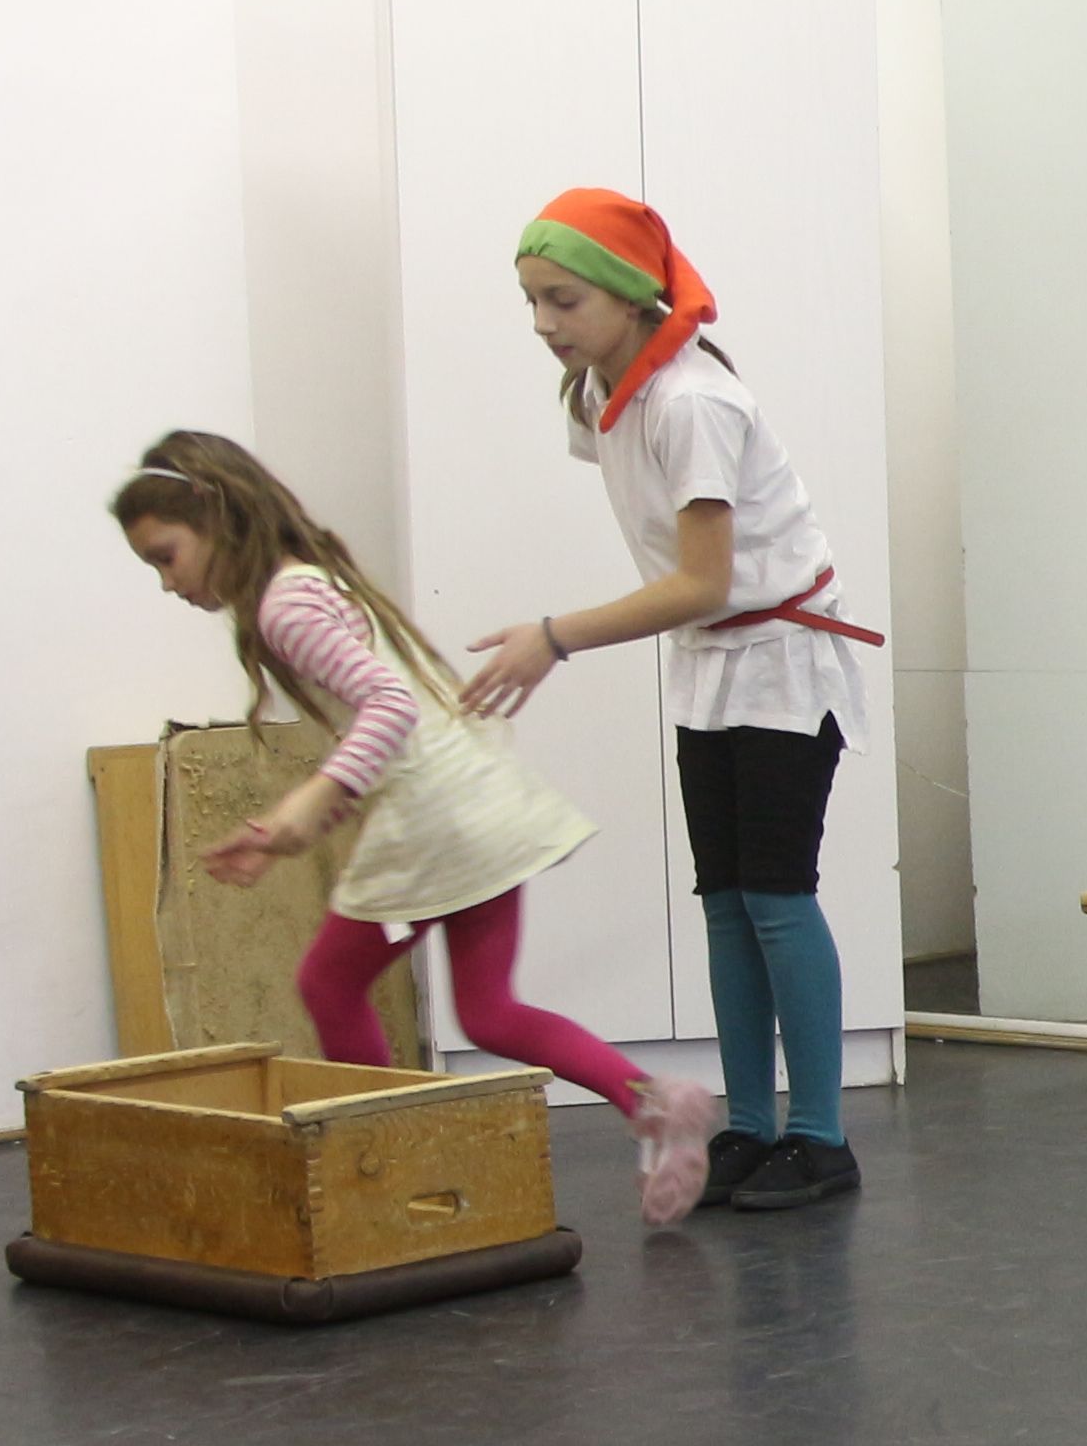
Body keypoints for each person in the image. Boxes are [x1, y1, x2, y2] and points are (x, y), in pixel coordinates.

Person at [114, 432, 727, 1224]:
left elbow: (389, 707)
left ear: (218, 516)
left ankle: (386, 1161)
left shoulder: (284, 605)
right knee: (489, 1010)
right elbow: (387, 724)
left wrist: (311, 800)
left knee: (328, 985)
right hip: (474, 801)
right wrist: (300, 820)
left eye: (166, 557)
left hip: (433, 819)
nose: (168, 583)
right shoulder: (313, 580)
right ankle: (648, 1097)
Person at [462, 189, 885, 1214]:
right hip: (713, 664)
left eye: (563, 300)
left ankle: (820, 1138)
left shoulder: (693, 401)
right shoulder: (604, 394)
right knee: (727, 903)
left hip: (782, 662)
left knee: (777, 897)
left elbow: (701, 580)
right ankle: (750, 1126)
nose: (544, 324)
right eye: (531, 302)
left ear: (629, 296)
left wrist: (554, 636)